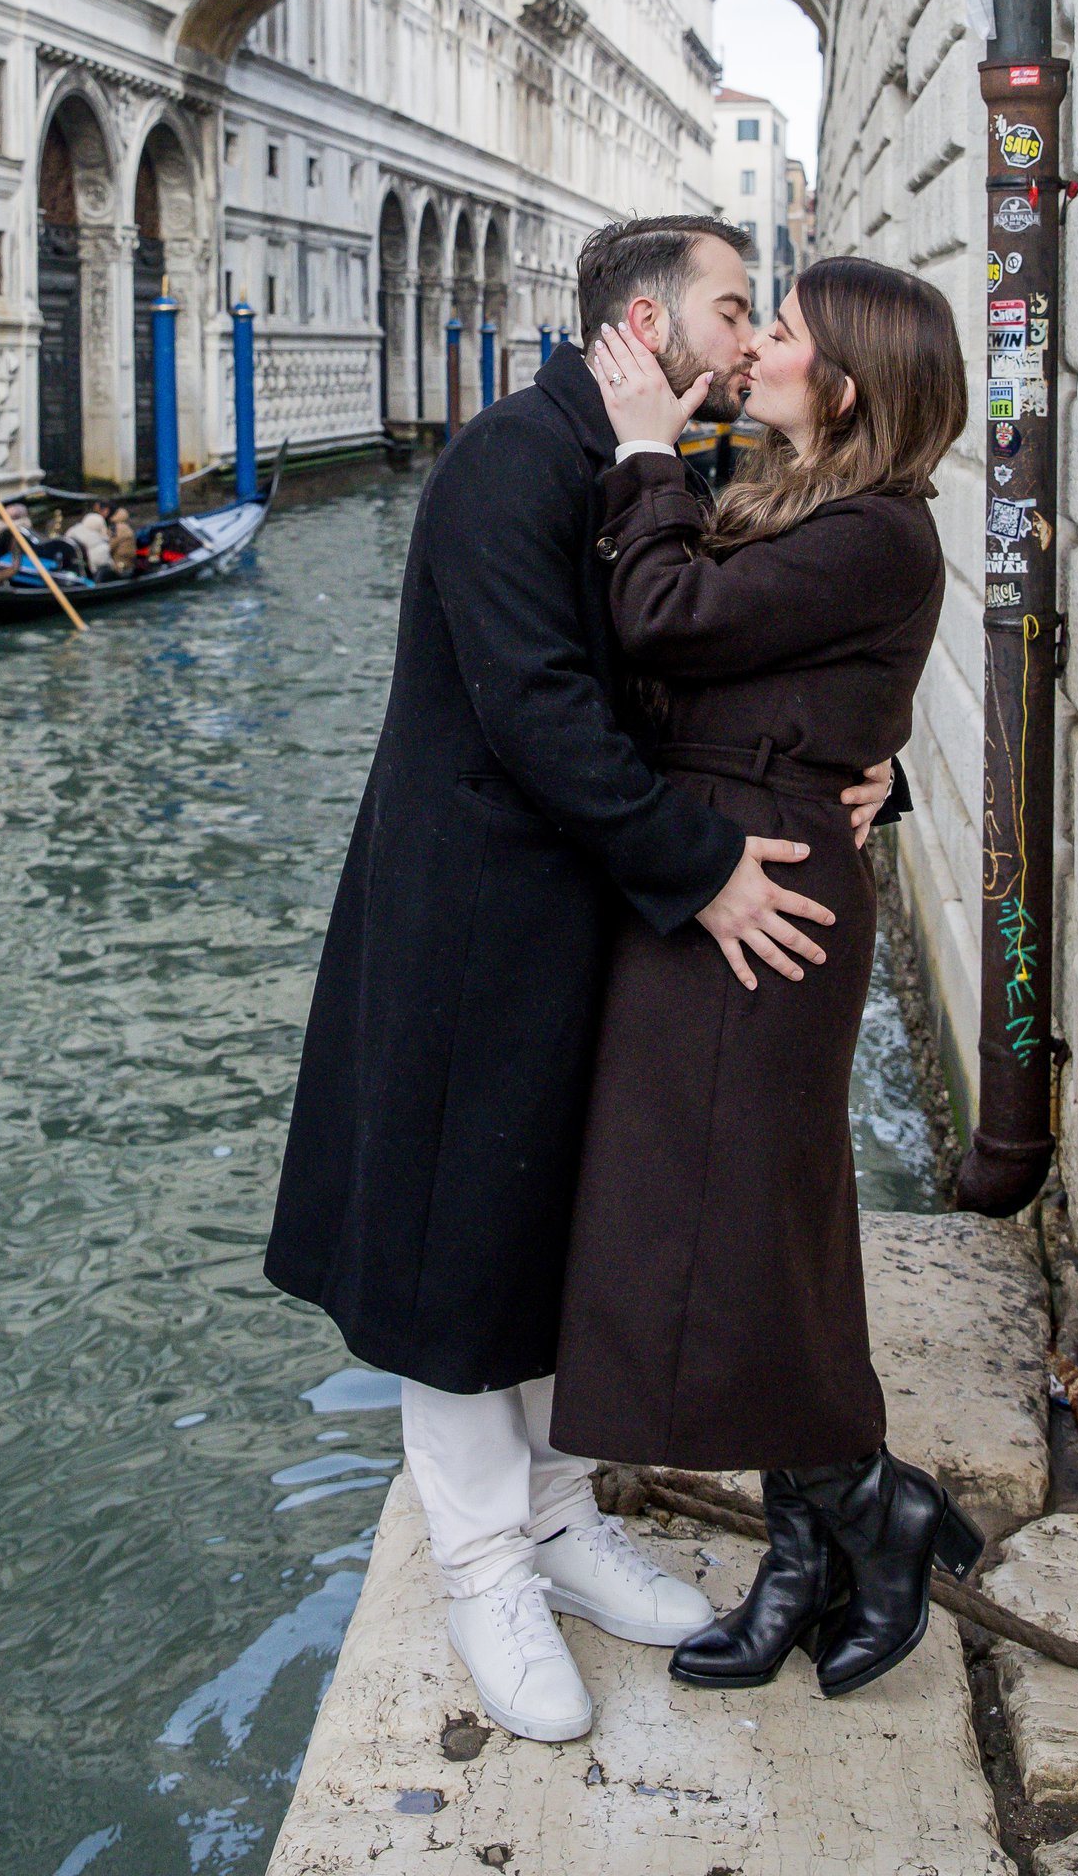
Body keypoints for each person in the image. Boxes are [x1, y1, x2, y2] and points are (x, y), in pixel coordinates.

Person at [265, 218, 897, 1746]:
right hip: (472, 926)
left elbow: (729, 669)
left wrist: (863, 776)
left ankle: (556, 1519)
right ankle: (483, 1561)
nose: (752, 343)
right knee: (453, 1244)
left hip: (590, 923)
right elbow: (545, 715)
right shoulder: (506, 461)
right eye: (736, 310)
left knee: (550, 1227)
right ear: (643, 317)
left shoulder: (657, 461)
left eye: (761, 319)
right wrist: (705, 868)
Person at [549, 257, 981, 1703]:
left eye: (781, 331)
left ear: (844, 385)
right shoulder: (801, 502)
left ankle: (866, 1506)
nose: (761, 345)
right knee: (755, 1216)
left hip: (767, 901)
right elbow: (776, 683)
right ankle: (812, 1549)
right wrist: (878, 774)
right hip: (739, 872)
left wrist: (642, 456)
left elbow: (668, 620)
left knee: (743, 1217)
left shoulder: (873, 530)